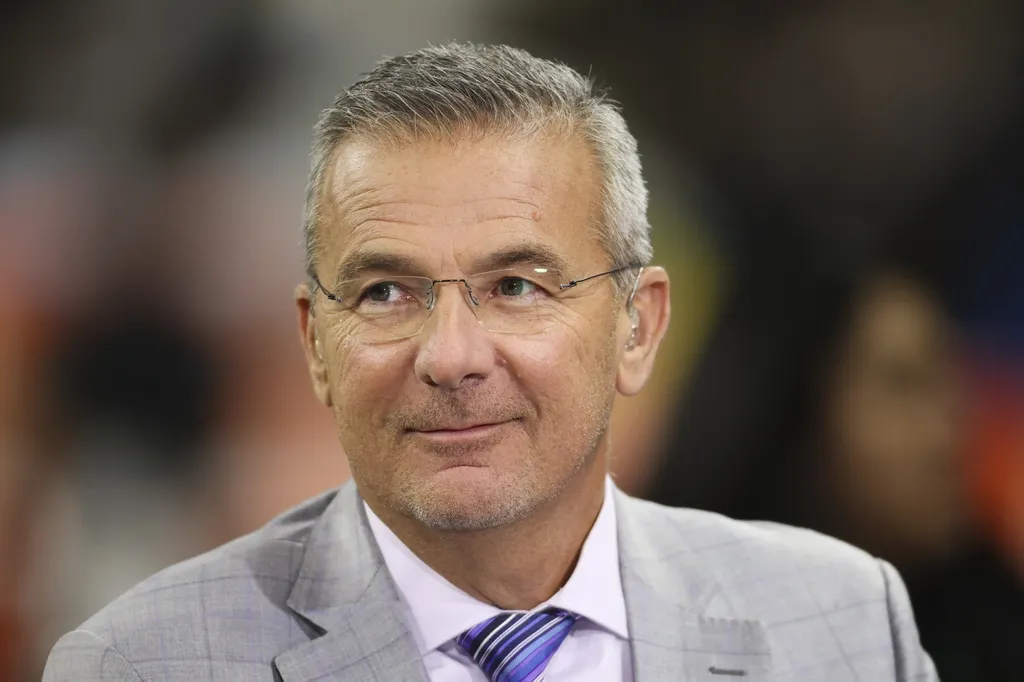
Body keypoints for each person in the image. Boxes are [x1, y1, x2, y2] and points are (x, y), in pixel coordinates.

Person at [43, 43, 938, 681]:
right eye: (386, 293)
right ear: (315, 343)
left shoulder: (848, 622)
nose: (451, 357)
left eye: (515, 286)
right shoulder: (142, 664)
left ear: (637, 327)